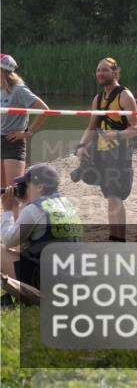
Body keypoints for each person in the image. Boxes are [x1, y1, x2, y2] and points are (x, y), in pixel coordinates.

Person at [74, 58, 137, 241]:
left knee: (114, 196)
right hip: (102, 154)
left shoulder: (125, 96)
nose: (100, 73)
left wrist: (116, 135)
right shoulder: (98, 99)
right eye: (98, 70)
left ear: (115, 73)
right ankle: (116, 239)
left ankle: (119, 240)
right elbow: (91, 127)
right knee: (110, 198)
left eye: (105, 70)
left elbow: (136, 128)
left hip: (120, 155)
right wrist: (81, 146)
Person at [1, 164, 81, 291]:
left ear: (39, 186)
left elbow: (8, 241)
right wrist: (22, 205)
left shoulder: (34, 210)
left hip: (49, 283)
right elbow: (22, 244)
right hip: (74, 279)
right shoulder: (66, 204)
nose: (25, 189)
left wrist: (7, 211)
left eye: (27, 185)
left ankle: (20, 290)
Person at [1, 55, 50, 216]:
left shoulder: (19, 90)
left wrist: (27, 133)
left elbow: (44, 110)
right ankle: (8, 233)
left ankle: (19, 237)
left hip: (13, 142)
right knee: (3, 194)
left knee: (15, 193)